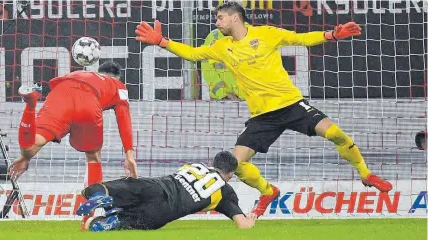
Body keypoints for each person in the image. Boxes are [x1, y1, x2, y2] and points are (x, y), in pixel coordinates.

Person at [134, 1, 393, 217]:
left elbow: (300, 38)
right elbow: (193, 54)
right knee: (236, 164)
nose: (216, 23)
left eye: (220, 18)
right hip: (262, 116)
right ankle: (269, 192)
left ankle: (366, 174)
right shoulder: (223, 47)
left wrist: (331, 35)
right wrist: (162, 42)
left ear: (236, 18)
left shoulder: (266, 33)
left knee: (335, 133)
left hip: (291, 104)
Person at [8, 61, 138, 228]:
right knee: (93, 157)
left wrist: (26, 157)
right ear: (117, 77)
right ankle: (88, 219)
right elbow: (123, 118)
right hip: (88, 101)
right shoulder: (118, 85)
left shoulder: (80, 73)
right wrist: (129, 154)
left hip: (61, 93)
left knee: (30, 147)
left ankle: (30, 105)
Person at [77, 151, 257, 231]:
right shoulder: (225, 191)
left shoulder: (195, 166)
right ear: (231, 174)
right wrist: (250, 220)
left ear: (213, 164)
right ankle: (113, 221)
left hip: (153, 186)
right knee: (136, 219)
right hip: (163, 211)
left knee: (113, 187)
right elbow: (242, 224)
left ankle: (102, 195)